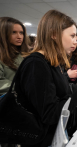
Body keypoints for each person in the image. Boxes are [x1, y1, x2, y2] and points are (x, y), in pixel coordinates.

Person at [12, 10, 77, 147]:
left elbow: (61, 94)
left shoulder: (52, 63)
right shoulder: (36, 64)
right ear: (54, 34)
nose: (75, 41)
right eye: (71, 36)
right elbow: (51, 114)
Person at [0, 17, 29, 147]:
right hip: (6, 106)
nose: (19, 36)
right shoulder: (1, 56)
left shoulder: (23, 54)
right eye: (14, 32)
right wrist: (21, 88)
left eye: (21, 32)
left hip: (21, 106)